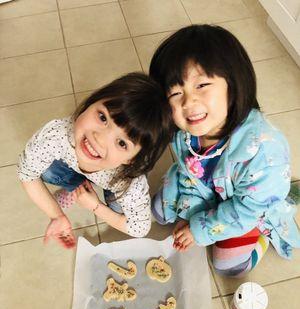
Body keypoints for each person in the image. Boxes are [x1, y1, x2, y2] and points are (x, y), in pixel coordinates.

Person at [149, 24, 300, 277]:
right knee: (158, 211)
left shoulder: (264, 153)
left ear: (233, 83)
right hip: (201, 187)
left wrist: (200, 229)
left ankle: (263, 234)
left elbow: (246, 210)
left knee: (229, 267)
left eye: (202, 85)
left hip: (247, 207)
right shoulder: (185, 128)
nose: (188, 102)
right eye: (175, 92)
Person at [18, 72, 172, 249]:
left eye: (122, 143)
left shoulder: (131, 184)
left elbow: (139, 228)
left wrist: (95, 206)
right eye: (103, 117)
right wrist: (57, 216)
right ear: (91, 102)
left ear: (132, 160)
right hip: (75, 167)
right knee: (47, 170)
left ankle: (85, 192)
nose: (99, 138)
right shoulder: (56, 135)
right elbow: (27, 173)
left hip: (113, 182)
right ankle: (76, 189)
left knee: (119, 211)